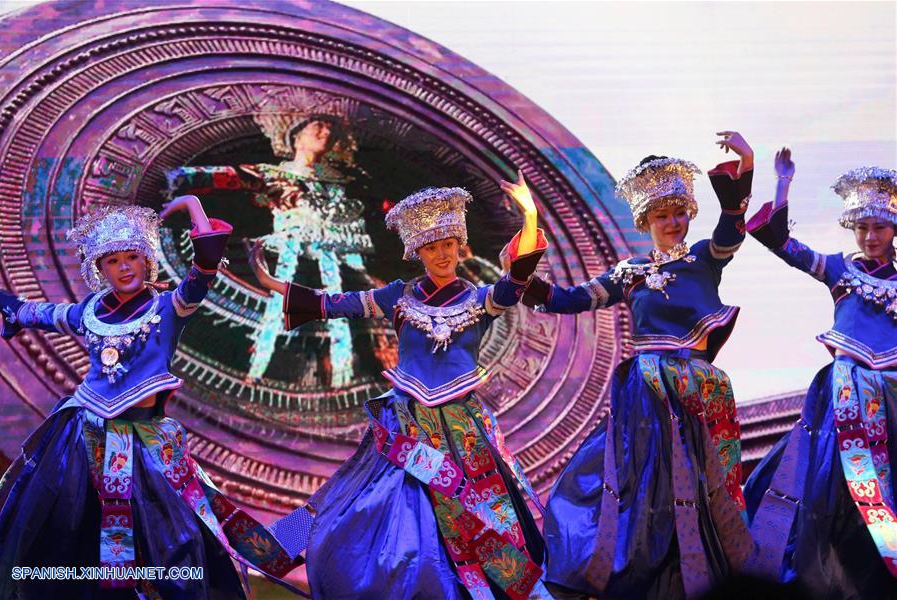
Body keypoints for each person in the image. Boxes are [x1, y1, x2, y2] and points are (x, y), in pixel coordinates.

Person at [248, 174, 552, 598]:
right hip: (406, 420)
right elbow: (339, 303)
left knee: (482, 511)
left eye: (448, 244)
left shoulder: (482, 299)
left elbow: (517, 279)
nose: (442, 254)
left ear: (459, 245)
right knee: (346, 494)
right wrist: (276, 286)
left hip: (462, 429)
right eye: (432, 247)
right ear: (418, 252)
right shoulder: (399, 296)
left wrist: (530, 213)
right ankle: (287, 553)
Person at [0, 196, 297, 599]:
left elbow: (203, 272)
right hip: (83, 435)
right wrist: (11, 307)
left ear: (146, 261)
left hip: (146, 443)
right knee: (65, 527)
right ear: (100, 269)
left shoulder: (168, 307)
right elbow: (42, 314)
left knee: (178, 534)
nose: (124, 267)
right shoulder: (91, 311)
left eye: (132, 258)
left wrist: (194, 212)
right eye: (113, 260)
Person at [524, 132, 756, 599]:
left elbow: (733, 227)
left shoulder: (704, 257)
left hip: (696, 389)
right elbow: (569, 299)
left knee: (706, 484)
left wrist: (746, 161)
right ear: (644, 220)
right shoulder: (630, 272)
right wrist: (522, 274)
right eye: (661, 215)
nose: (672, 222)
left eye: (678, 212)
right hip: (646, 394)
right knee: (636, 483)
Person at [743, 153, 897, 599]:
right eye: (862, 227)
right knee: (827, 483)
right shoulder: (839, 269)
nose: (870, 236)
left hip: (892, 398)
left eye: (880, 227)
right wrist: (783, 184)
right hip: (845, 396)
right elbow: (781, 243)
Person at [167, 109, 371, 385]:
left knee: (337, 308)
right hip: (288, 246)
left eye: (330, 129)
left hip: (328, 249)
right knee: (277, 306)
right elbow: (226, 175)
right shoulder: (272, 174)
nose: (325, 132)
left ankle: (341, 376)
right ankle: (256, 370)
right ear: (297, 136)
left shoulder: (339, 181)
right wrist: (176, 177)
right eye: (318, 126)